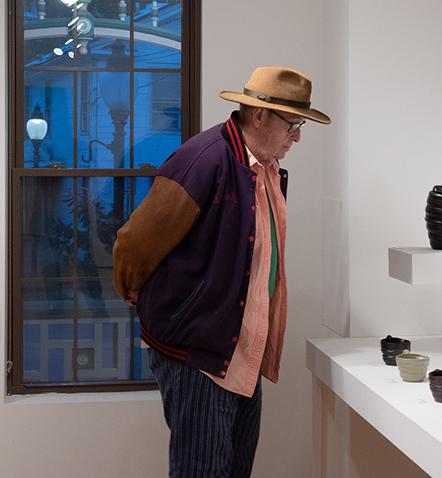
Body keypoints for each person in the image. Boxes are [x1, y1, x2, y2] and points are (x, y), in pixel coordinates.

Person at [112, 66, 330, 477]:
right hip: (198, 351)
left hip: (239, 348)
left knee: (234, 467)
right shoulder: (204, 159)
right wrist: (133, 288)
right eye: (293, 123)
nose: (297, 136)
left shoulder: (265, 168)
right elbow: (134, 243)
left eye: (301, 124)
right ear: (260, 114)